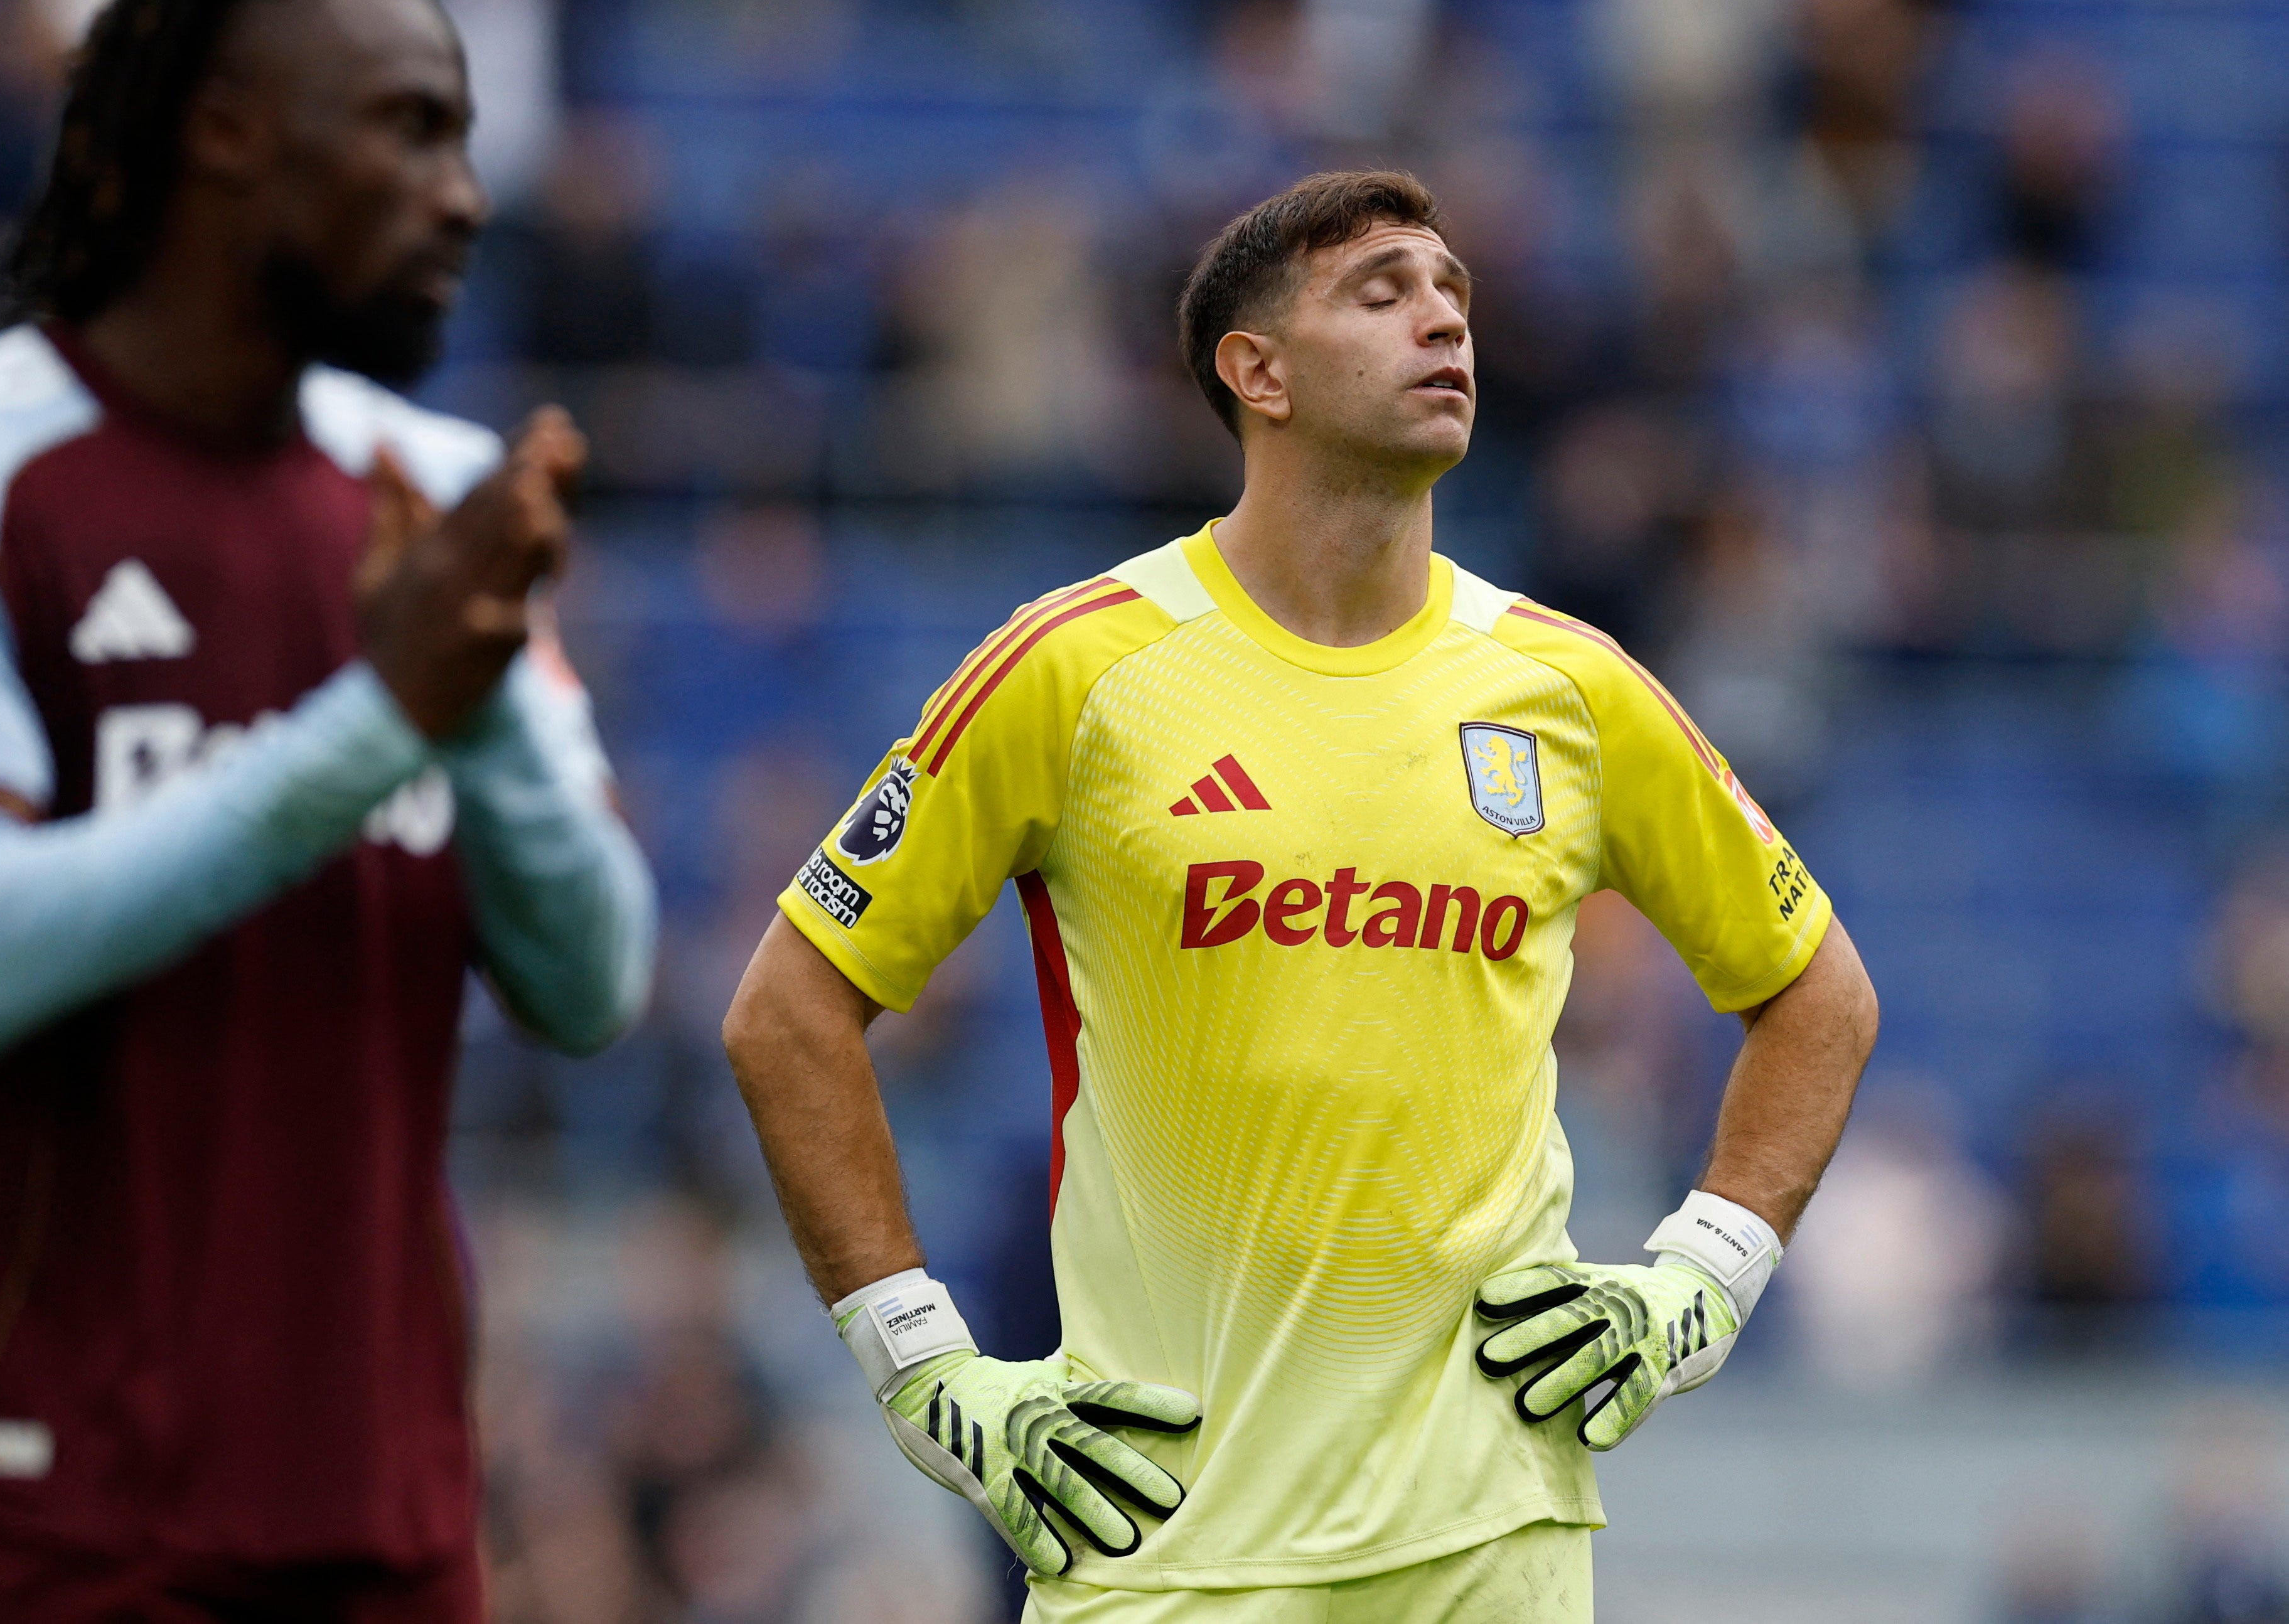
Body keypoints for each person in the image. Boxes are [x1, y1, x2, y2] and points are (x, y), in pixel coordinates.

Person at [722, 170, 1879, 1620]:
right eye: (1381, 292)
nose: (1441, 319)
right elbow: (787, 1010)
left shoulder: (1568, 685)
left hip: (1495, 1541)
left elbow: (1818, 991)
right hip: (1162, 1538)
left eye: (1453, 292)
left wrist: (1700, 1277)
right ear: (1254, 369)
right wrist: (922, 1362)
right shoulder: (1075, 667)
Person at [0, 0, 655, 1621]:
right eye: (407, 126)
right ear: (225, 130)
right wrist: (379, 719)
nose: (462, 194)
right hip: (56, 1510)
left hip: (389, 1514)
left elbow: (592, 976)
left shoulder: (433, 484)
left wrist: (464, 708)